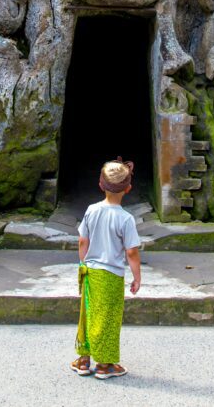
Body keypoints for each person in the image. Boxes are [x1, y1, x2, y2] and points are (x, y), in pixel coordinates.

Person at [71, 159, 142, 380]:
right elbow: (131, 252)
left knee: (88, 314)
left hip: (90, 272)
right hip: (112, 275)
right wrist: (137, 277)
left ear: (100, 185)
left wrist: (84, 262)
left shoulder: (92, 210)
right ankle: (104, 365)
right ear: (128, 189)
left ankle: (83, 360)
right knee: (109, 318)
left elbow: (83, 241)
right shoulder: (126, 219)